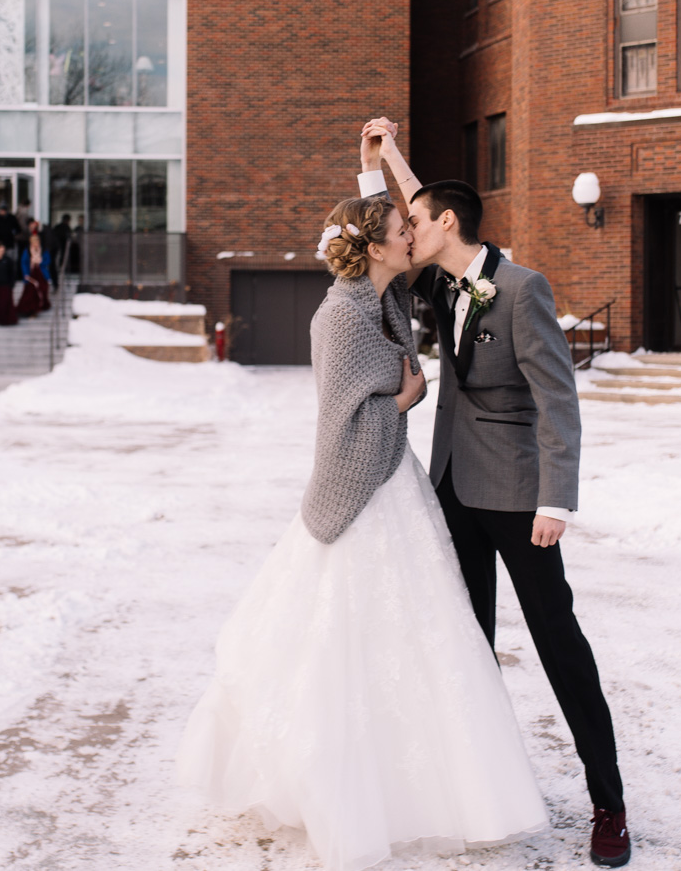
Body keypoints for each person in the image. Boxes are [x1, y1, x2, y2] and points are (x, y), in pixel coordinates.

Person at [179, 194, 548, 871]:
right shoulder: (338, 316)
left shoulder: (385, 300)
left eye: (414, 224)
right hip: (360, 490)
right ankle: (347, 790)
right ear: (376, 248)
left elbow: (391, 366)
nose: (414, 234)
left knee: (417, 641)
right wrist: (405, 401)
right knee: (343, 642)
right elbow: (338, 424)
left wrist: (374, 159)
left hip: (397, 486)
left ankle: (426, 788)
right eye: (402, 229)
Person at [353, 116, 629, 868]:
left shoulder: (520, 288)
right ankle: (484, 789)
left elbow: (558, 398)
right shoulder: (443, 278)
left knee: (557, 641)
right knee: (466, 645)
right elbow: (402, 214)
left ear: (446, 224)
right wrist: (381, 160)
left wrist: (556, 499)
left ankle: (610, 801)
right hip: (452, 491)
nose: (408, 229)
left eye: (419, 220)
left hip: (517, 498)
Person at [17, 233, 52, 317]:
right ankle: (30, 309)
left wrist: (41, 262)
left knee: (43, 288)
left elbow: (48, 260)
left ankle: (41, 305)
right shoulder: (28, 251)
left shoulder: (43, 250)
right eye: (34, 242)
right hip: (31, 273)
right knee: (30, 291)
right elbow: (24, 262)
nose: (36, 243)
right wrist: (26, 273)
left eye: (37, 241)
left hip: (41, 272)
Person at [49, 213, 74, 287]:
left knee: (57, 264)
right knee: (60, 263)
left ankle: (61, 272)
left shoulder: (57, 227)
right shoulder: (66, 228)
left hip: (55, 250)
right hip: (60, 250)